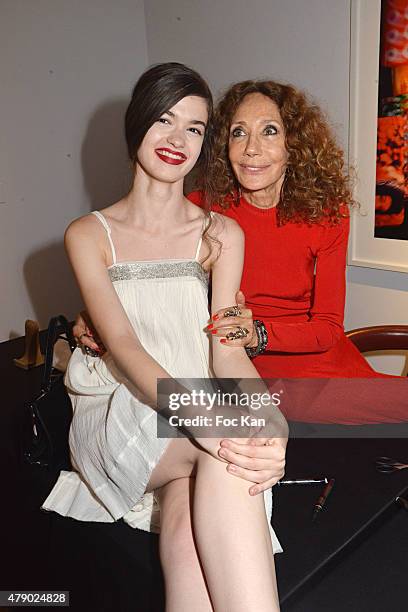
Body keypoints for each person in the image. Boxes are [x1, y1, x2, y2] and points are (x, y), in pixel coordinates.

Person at [42, 63, 287, 612]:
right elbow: (125, 351)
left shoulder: (222, 234)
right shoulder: (90, 234)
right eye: (165, 120)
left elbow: (228, 351)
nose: (178, 140)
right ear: (138, 124)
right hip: (126, 408)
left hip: (196, 404)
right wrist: (210, 419)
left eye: (196, 129)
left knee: (187, 536)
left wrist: (275, 425)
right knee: (227, 450)